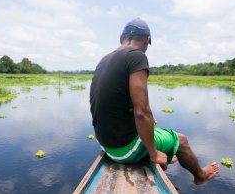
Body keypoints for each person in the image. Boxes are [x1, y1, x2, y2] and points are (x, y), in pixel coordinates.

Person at [90, 17, 220, 184]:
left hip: (105, 145)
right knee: (180, 140)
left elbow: (113, 106)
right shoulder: (137, 57)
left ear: (122, 38)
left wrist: (148, 122)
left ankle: (166, 153)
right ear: (146, 41)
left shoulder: (105, 59)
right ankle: (200, 176)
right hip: (124, 151)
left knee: (152, 124)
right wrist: (153, 153)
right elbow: (141, 111)